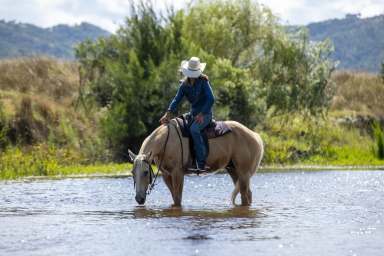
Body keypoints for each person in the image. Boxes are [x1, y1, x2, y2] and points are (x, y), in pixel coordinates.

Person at [160, 57, 215, 172]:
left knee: (194, 130)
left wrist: (201, 114)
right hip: (193, 114)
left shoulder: (204, 82)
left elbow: (211, 99)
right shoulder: (184, 85)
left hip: (205, 114)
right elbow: (177, 99)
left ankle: (201, 162)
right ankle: (187, 159)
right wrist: (168, 113)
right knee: (179, 126)